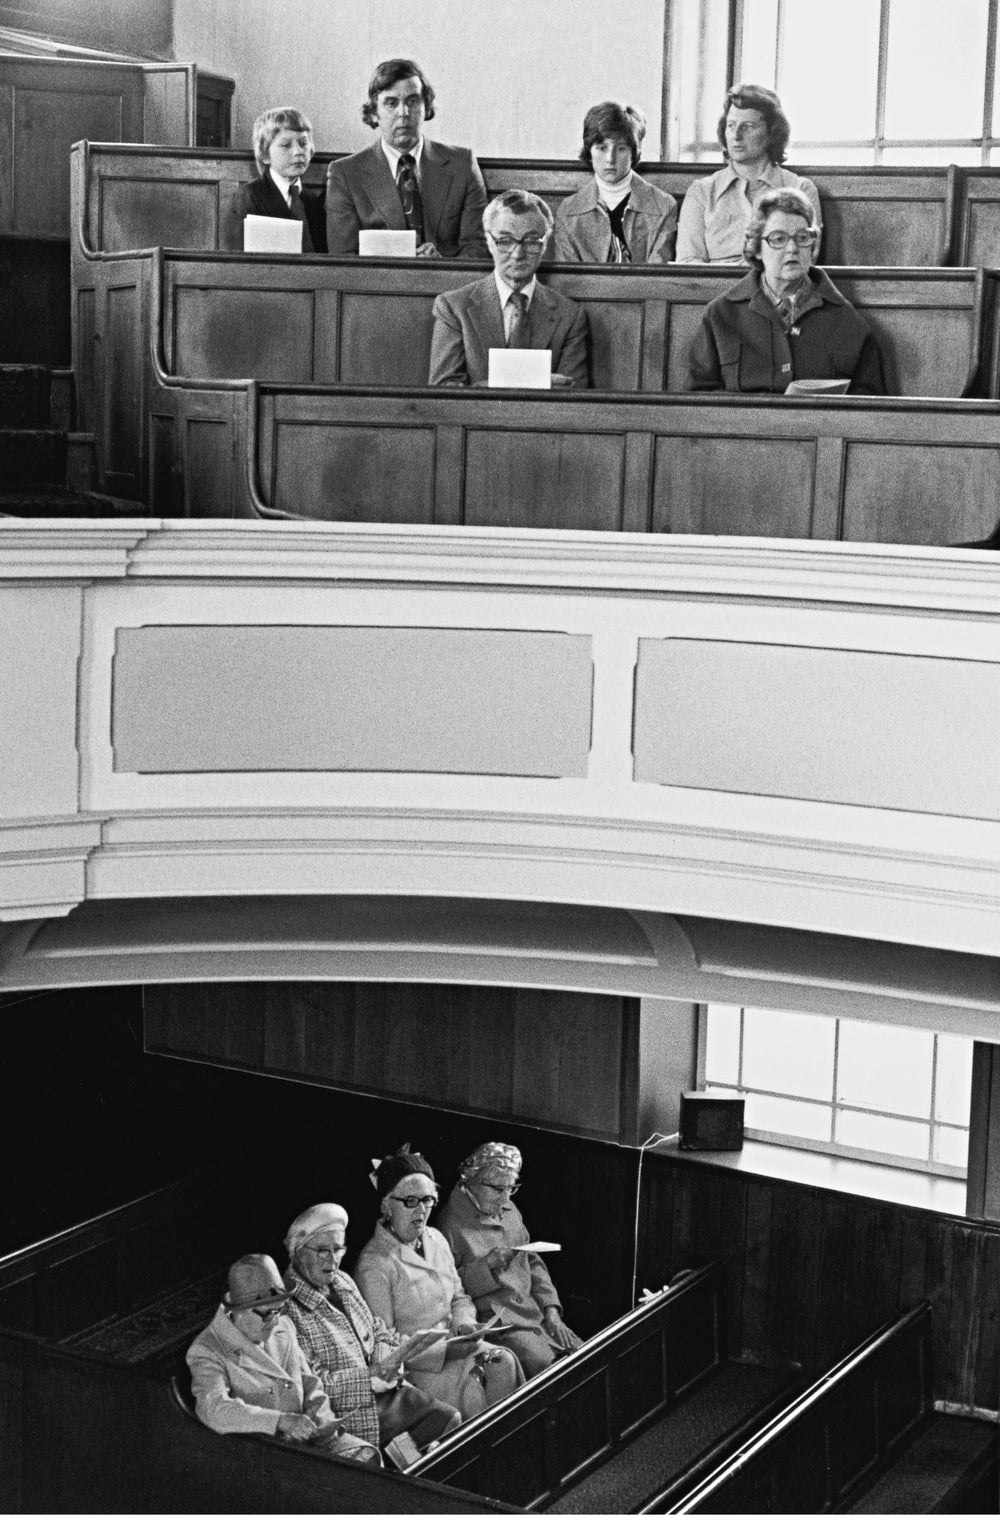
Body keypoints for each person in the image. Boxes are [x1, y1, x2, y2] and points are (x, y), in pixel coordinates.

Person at [353, 1145, 524, 1420]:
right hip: (420, 1369)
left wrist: (465, 1324)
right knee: (477, 1391)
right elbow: (383, 1347)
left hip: (459, 1344)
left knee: (503, 1362)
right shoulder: (374, 1265)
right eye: (410, 1201)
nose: (421, 1211)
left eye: (428, 1200)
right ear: (386, 1204)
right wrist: (446, 1349)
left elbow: (460, 1298)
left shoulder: (436, 1238)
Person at [283, 1201, 461, 1456]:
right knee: (434, 1436)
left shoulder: (343, 1281)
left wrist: (388, 1362)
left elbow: (377, 1331)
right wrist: (370, 1377)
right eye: (323, 1251)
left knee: (450, 1421)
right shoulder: (289, 1309)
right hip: (352, 1408)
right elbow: (314, 1384)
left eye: (338, 1249)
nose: (333, 1260)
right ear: (297, 1251)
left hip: (387, 1391)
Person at [688, 187, 885, 395]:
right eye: (778, 239)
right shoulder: (721, 315)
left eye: (802, 238)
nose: (792, 248)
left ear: (812, 246)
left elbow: (869, 406)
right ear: (757, 248)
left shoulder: (847, 320)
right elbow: (699, 401)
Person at [185, 1253, 379, 1463]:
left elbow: (311, 1385)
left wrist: (324, 1425)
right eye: (267, 1313)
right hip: (264, 1459)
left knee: (371, 1462)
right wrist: (280, 1421)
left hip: (310, 1446)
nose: (275, 1320)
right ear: (238, 1310)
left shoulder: (283, 1327)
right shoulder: (207, 1350)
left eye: (279, 1310)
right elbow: (214, 1409)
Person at [437, 1142, 583, 1380]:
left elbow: (533, 1262)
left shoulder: (508, 1208)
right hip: (502, 1326)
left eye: (511, 1188)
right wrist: (487, 1266)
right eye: (498, 1189)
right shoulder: (449, 1225)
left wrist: (552, 1310)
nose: (505, 1198)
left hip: (536, 1316)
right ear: (472, 1180)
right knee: (556, 1374)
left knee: (586, 1356)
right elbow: (450, 1292)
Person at [326, 59, 489, 258]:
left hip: (450, 286)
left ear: (426, 107)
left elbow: (477, 249)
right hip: (377, 288)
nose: (403, 113)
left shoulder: (462, 164)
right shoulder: (345, 174)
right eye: (391, 103)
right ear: (374, 113)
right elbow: (343, 260)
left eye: (413, 101)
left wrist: (443, 267)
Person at [428, 190, 589, 387]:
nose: (517, 254)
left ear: (545, 243)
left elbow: (574, 399)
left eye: (530, 241)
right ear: (489, 242)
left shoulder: (570, 316)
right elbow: (444, 391)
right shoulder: (453, 307)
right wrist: (534, 384)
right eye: (505, 241)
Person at [676, 83, 821, 264]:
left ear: (772, 133)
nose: (736, 135)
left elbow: (805, 259)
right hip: (714, 291)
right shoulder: (702, 192)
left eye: (748, 126)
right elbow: (688, 264)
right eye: (731, 125)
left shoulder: (800, 189)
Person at [554, 101, 677, 264]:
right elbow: (569, 280)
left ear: (634, 152)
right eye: (602, 148)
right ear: (589, 151)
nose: (610, 159)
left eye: (621, 148)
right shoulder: (568, 211)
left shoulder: (663, 205)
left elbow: (657, 277)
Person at [238, 107, 327, 254]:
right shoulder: (250, 196)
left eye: (303, 143)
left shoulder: (313, 200)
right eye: (286, 145)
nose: (298, 151)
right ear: (265, 155)